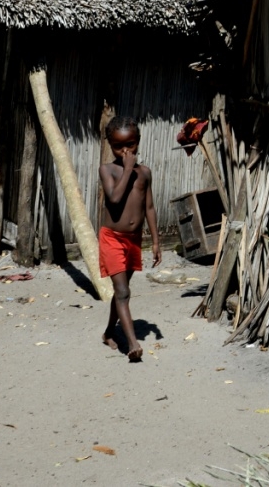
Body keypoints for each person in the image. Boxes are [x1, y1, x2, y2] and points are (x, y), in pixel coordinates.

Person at [97, 115, 161, 361]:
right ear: (109, 145)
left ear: (138, 142)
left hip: (134, 239)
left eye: (130, 145)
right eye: (118, 146)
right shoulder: (108, 170)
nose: (125, 151)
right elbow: (114, 198)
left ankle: (108, 333)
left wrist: (154, 242)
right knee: (122, 291)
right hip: (112, 238)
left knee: (121, 291)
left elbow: (150, 208)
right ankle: (133, 344)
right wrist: (126, 169)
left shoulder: (144, 173)